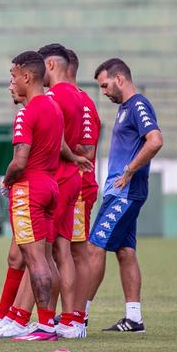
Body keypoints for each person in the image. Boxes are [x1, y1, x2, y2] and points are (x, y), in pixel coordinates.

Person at [0, 50, 69, 342]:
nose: (12, 82)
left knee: (35, 260)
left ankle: (45, 326)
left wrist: (6, 181)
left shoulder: (26, 112)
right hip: (51, 186)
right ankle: (46, 324)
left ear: (27, 76)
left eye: (13, 76)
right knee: (47, 260)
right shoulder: (54, 108)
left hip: (30, 188)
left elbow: (20, 160)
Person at [87, 58, 162, 333]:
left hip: (124, 193)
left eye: (105, 85)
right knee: (125, 251)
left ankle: (78, 316)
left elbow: (155, 140)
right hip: (121, 191)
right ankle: (134, 318)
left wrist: (129, 171)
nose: (104, 91)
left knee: (94, 247)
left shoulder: (138, 104)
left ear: (120, 79)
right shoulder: (125, 108)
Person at [37, 43, 93, 335]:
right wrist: (77, 157)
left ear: (50, 66)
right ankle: (73, 319)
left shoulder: (54, 97)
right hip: (72, 180)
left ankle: (48, 320)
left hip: (57, 177)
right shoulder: (78, 96)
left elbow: (54, 139)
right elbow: (85, 143)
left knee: (53, 251)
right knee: (63, 251)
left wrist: (70, 156)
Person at [64, 47, 102, 334]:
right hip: (63, 185)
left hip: (79, 185)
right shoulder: (66, 100)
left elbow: (87, 150)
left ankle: (79, 317)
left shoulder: (83, 103)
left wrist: (52, 142)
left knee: (78, 251)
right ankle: (66, 317)